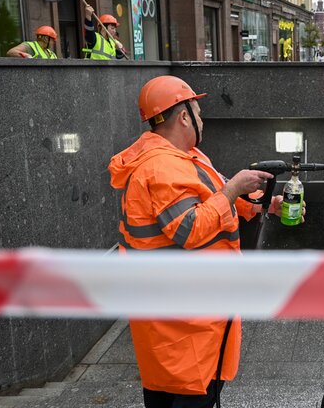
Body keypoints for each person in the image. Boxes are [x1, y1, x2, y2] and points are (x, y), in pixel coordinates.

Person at [108, 75, 282, 408]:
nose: (202, 119)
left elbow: (211, 191)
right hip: (181, 324)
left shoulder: (184, 157)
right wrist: (233, 191)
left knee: (172, 392)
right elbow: (189, 228)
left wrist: (264, 203)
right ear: (184, 116)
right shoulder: (161, 168)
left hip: (185, 314)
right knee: (186, 396)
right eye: (198, 112)